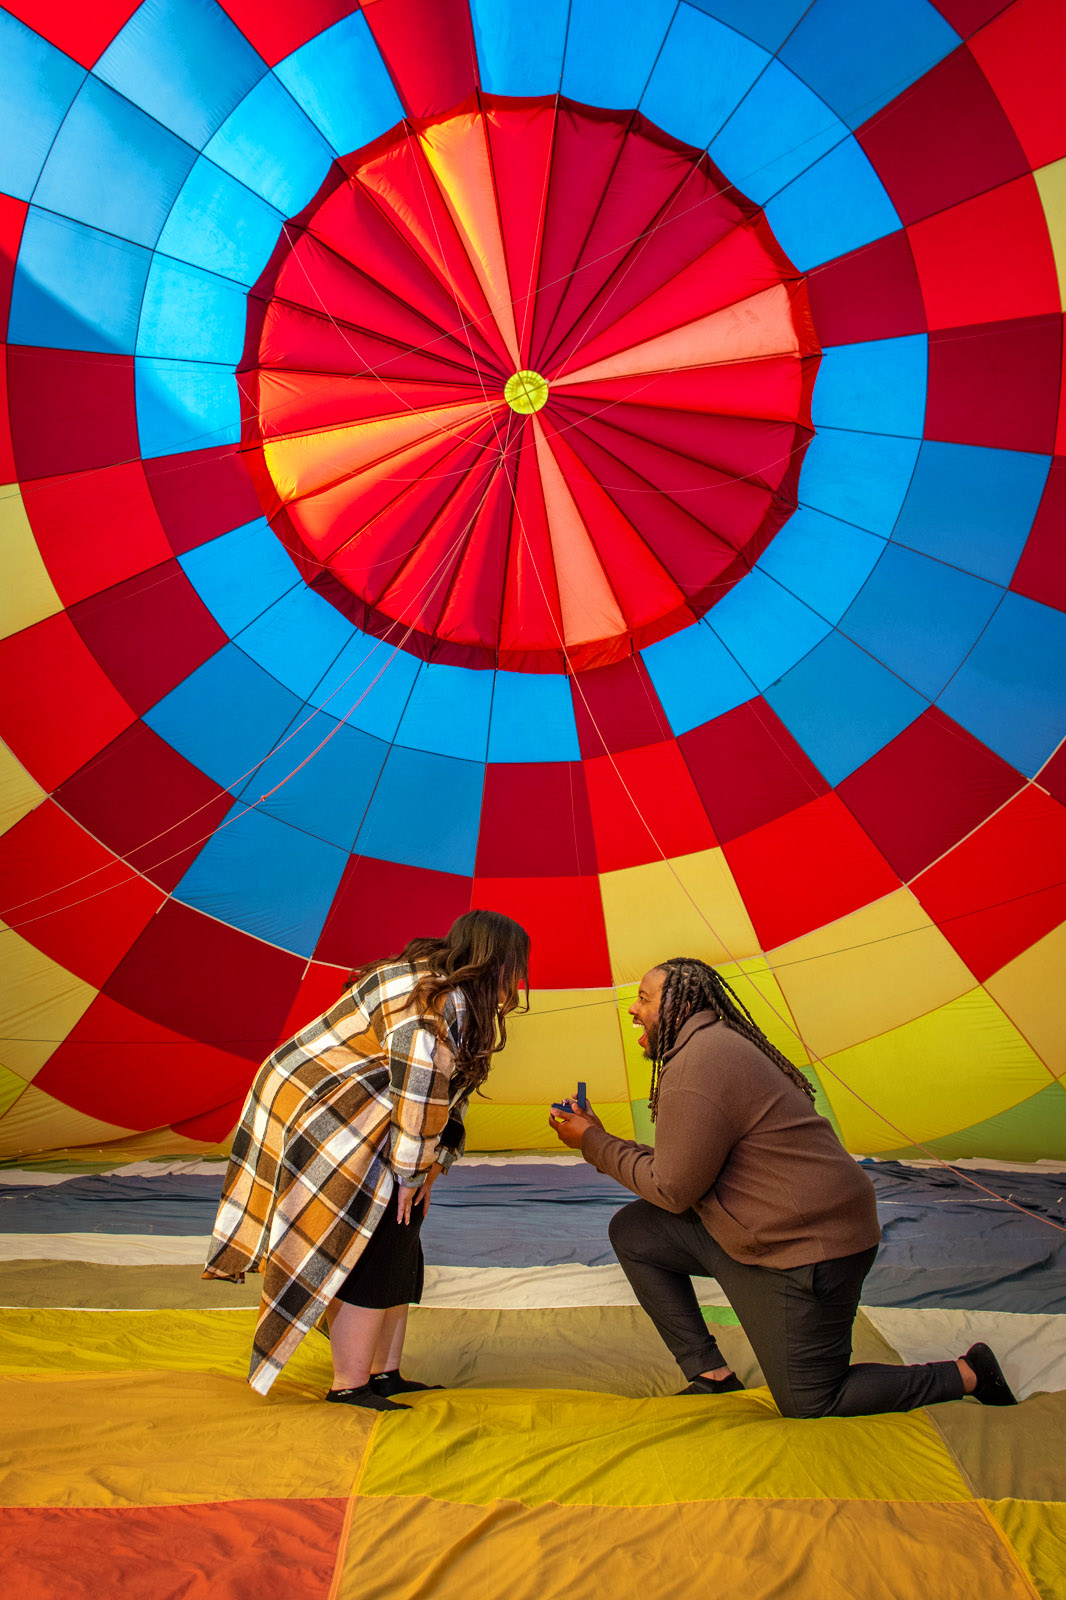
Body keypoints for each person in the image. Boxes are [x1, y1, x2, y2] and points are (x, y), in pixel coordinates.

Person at [549, 957, 1016, 1417]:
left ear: (676, 1006)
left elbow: (671, 1189)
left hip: (811, 1250)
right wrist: (599, 1138)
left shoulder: (699, 1062)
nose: (633, 1009)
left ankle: (968, 1372)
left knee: (812, 1400)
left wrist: (592, 1142)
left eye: (644, 999)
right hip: (762, 1232)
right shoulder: (705, 1049)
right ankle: (712, 1377)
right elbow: (683, 1172)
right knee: (636, 1232)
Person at [204, 909, 531, 1409]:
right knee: (369, 1240)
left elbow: (449, 1092)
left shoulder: (439, 987)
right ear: (498, 961)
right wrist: (409, 1174)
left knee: (400, 1237)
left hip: (342, 1108)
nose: (519, 980)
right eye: (516, 967)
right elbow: (419, 1095)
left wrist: (432, 1165)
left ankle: (384, 1375)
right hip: (325, 1115)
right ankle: (349, 1384)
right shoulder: (433, 1005)